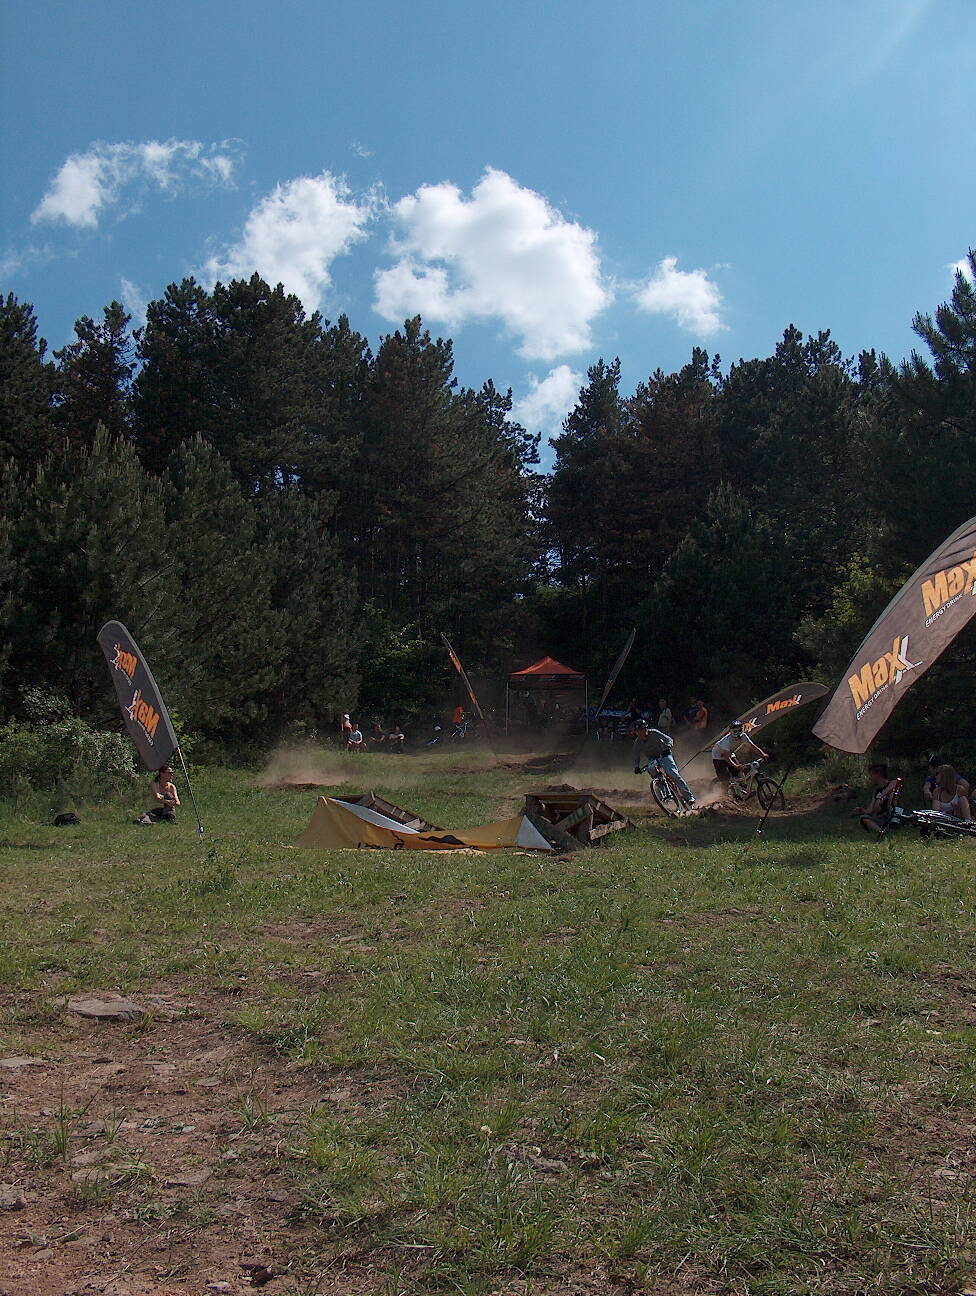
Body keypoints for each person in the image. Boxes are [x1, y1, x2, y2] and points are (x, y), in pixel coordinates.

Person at [633, 720, 697, 810]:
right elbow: (636, 756)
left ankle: (689, 798)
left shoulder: (654, 733)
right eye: (638, 731)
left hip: (664, 754)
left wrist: (668, 746)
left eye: (642, 730)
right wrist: (636, 767)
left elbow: (669, 739)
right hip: (653, 759)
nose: (640, 733)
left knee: (673, 774)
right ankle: (665, 794)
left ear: (646, 729)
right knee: (651, 770)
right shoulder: (637, 742)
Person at [711, 721, 768, 791]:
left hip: (730, 753)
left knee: (740, 770)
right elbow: (726, 757)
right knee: (725, 779)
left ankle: (744, 789)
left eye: (740, 730)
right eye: (735, 731)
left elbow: (753, 747)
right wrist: (735, 765)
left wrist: (763, 754)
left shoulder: (743, 736)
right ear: (731, 731)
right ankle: (723, 794)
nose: (738, 733)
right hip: (718, 756)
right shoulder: (726, 741)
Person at [855, 763, 899, 835]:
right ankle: (881, 832)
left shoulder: (892, 783)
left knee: (892, 794)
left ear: (877, 775)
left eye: (871, 775)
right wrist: (862, 810)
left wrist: (880, 798)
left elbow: (896, 783)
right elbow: (869, 810)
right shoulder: (876, 792)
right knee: (864, 818)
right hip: (881, 817)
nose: (870, 778)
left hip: (892, 813)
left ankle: (892, 821)